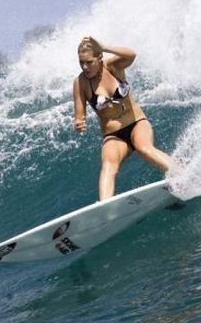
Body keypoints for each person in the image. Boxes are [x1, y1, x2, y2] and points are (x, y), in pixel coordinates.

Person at [73, 36, 171, 200]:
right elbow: (79, 114)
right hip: (113, 135)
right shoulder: (80, 83)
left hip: (136, 123)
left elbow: (131, 55)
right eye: (81, 62)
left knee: (144, 148)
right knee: (108, 165)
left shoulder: (113, 66)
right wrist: (79, 123)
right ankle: (106, 208)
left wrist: (104, 46)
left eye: (89, 62)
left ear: (99, 58)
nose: (85, 67)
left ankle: (181, 174)